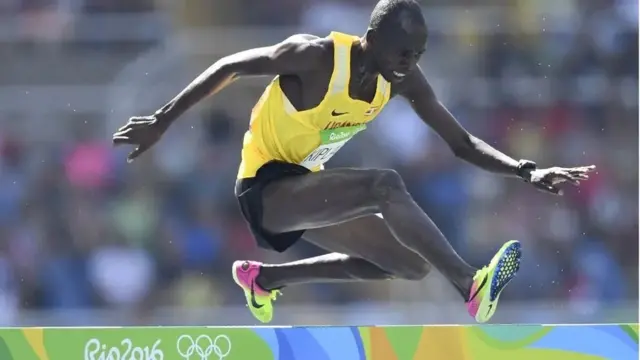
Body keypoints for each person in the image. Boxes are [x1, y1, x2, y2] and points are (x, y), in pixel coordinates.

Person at [112, 0, 595, 324]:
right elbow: (231, 66)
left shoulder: (401, 78)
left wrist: (525, 169)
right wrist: (161, 120)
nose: (410, 62)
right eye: (403, 51)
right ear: (373, 38)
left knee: (407, 264)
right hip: (263, 187)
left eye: (419, 53)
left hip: (305, 187)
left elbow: (461, 143)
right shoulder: (316, 56)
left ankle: (264, 278)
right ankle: (471, 283)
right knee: (383, 185)